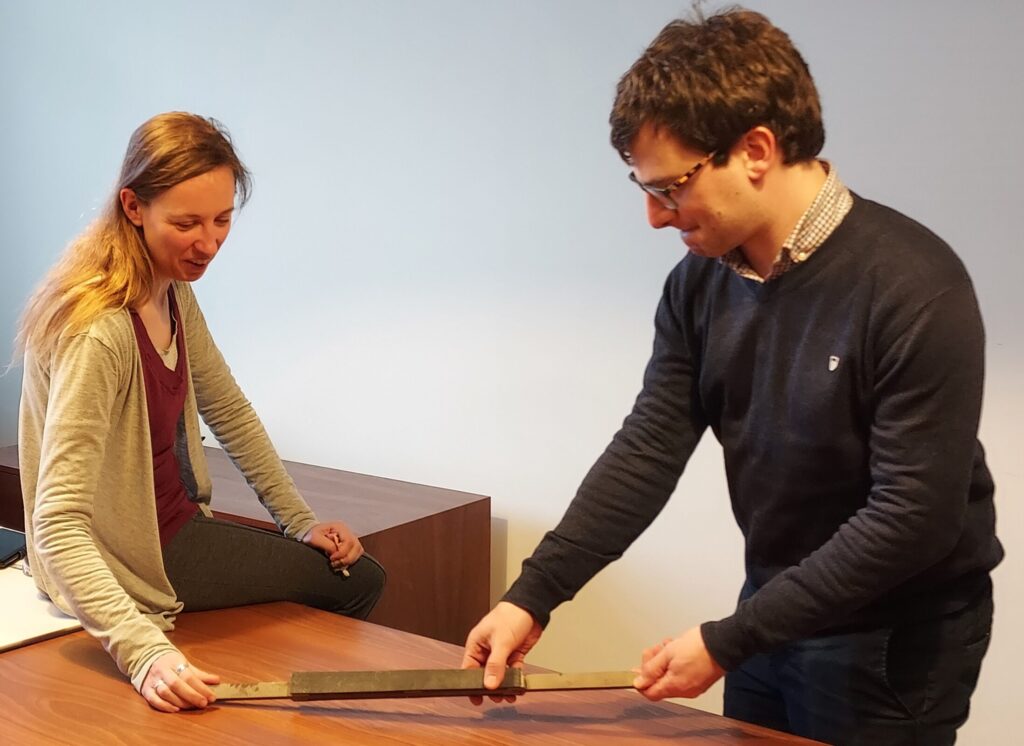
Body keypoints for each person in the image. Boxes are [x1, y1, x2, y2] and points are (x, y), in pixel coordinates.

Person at [462, 8, 1002, 744]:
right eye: (643, 187)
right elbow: (649, 448)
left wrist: (728, 640)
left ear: (754, 150)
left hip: (891, 641)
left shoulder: (914, 287)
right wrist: (534, 596)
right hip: (770, 614)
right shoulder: (700, 284)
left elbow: (912, 520)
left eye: (672, 186)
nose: (655, 217)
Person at [16, 112, 386, 713]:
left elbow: (229, 411)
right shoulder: (102, 333)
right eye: (186, 223)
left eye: (221, 220)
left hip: (170, 523)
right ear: (133, 207)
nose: (208, 243)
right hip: (141, 554)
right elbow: (57, 527)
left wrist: (299, 521)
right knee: (362, 580)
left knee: (332, 564)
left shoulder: (170, 287)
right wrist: (144, 654)